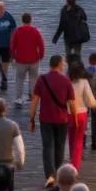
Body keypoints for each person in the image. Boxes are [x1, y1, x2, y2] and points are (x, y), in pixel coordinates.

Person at [29, 54, 77, 182]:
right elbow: (72, 103)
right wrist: (75, 119)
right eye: (63, 63)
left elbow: (34, 100)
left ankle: (50, 176)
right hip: (62, 120)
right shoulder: (66, 81)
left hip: (46, 119)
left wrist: (31, 118)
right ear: (60, 65)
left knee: (47, 147)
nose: (64, 65)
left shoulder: (42, 79)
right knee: (60, 146)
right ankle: (57, 171)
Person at [66, 60, 96, 170]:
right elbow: (90, 100)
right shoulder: (84, 82)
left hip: (69, 114)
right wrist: (95, 105)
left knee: (71, 138)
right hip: (81, 114)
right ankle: (75, 165)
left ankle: (71, 158)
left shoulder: (66, 81)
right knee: (79, 140)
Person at [11, 12, 45, 108]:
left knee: (19, 79)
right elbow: (41, 45)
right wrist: (41, 56)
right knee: (33, 79)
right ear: (31, 20)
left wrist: (13, 56)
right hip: (34, 60)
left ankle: (18, 98)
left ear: (22, 20)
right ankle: (32, 96)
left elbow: (13, 45)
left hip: (20, 60)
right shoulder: (35, 31)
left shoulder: (17, 31)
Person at [53, 0, 90, 64]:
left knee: (68, 57)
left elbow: (61, 25)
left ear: (67, 2)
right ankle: (78, 72)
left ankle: (70, 72)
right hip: (78, 38)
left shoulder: (64, 11)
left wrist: (56, 38)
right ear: (74, 1)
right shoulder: (79, 9)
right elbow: (85, 18)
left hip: (68, 38)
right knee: (78, 56)